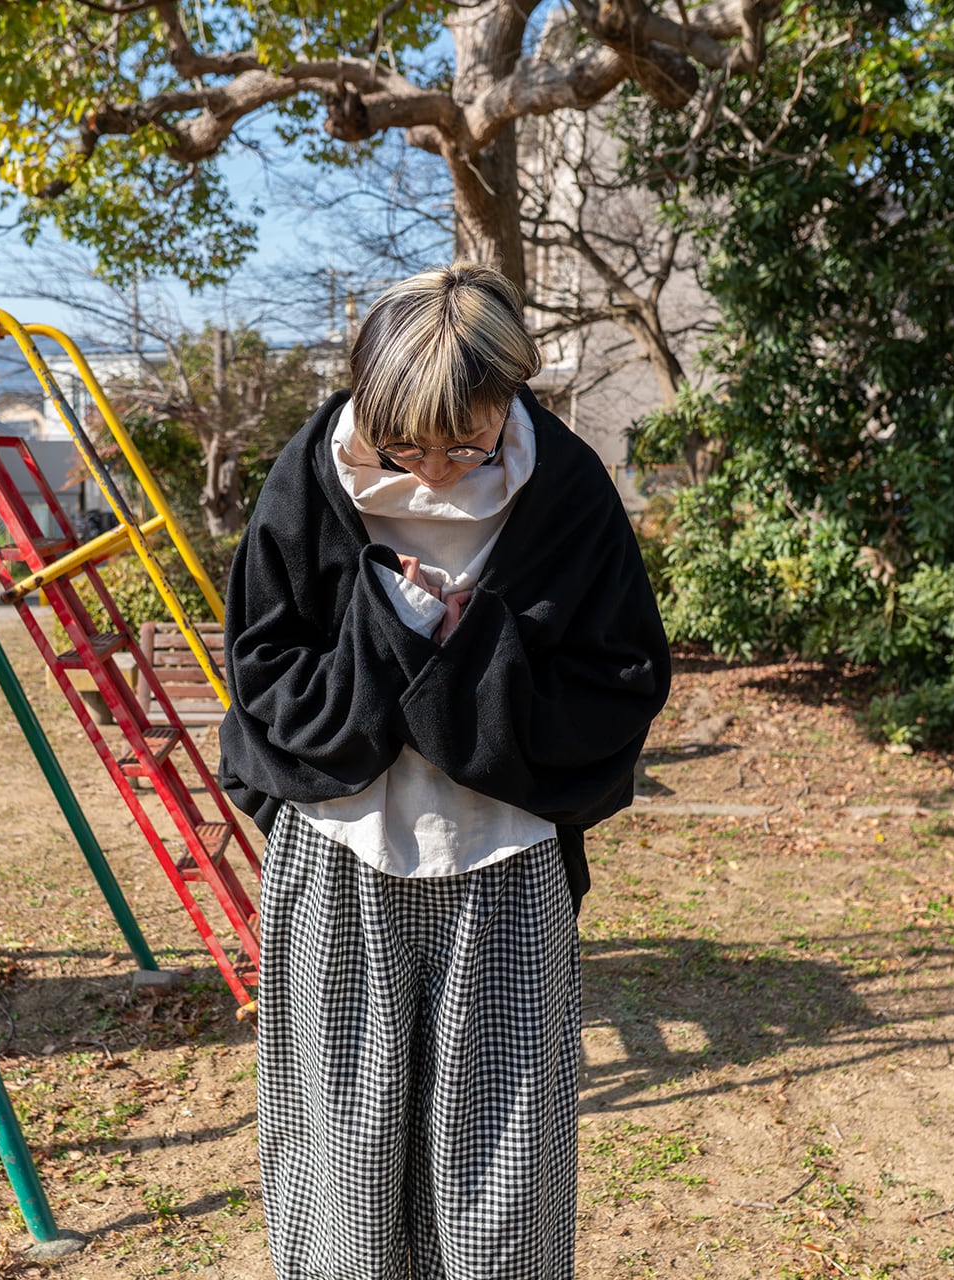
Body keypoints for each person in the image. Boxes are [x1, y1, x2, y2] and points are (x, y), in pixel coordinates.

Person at [218, 263, 670, 1279]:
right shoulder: (314, 475)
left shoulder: (563, 488)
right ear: (364, 402)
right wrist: (389, 633)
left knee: (500, 1178)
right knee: (343, 1164)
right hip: (338, 856)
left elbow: (619, 681)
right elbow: (263, 671)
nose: (430, 472)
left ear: (511, 394)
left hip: (504, 861)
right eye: (403, 446)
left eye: (464, 443)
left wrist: (471, 650)